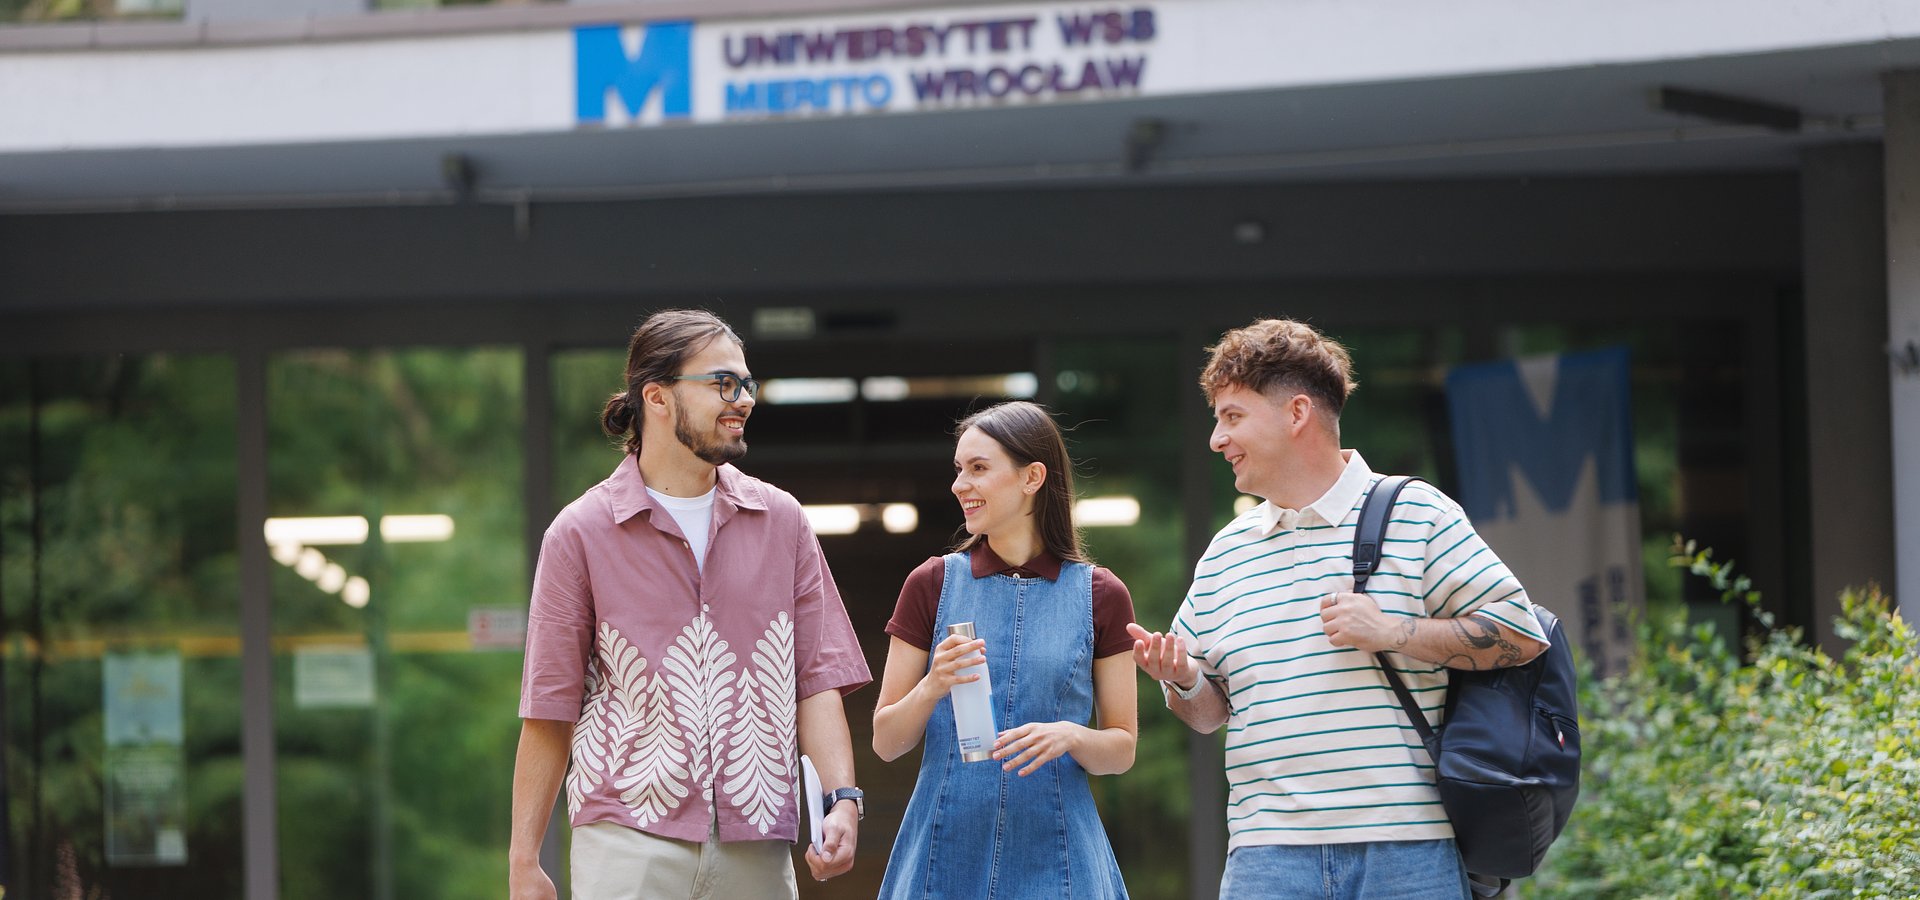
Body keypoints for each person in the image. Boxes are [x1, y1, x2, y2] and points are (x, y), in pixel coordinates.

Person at [1128, 318, 1551, 900]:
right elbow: (1207, 715)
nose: (1216, 439)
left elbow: (1520, 634)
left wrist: (1392, 631)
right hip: (1265, 856)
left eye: (1233, 416)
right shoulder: (1225, 552)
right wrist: (1183, 678)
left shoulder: (1417, 513)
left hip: (1407, 850)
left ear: (1297, 413)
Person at [508, 309, 872, 900]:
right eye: (723, 383)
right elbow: (550, 708)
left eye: (747, 384)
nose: (743, 400)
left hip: (757, 839)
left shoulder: (782, 521)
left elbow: (817, 680)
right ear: (657, 396)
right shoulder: (579, 533)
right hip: (628, 838)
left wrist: (842, 800)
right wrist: (524, 859)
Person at [872, 401, 1138, 900]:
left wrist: (1071, 735)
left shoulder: (1102, 594)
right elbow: (886, 742)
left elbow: (1121, 750)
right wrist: (932, 685)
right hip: (943, 853)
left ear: (1032, 477)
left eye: (978, 468)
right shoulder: (930, 583)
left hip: (1059, 860)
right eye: (958, 469)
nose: (959, 485)